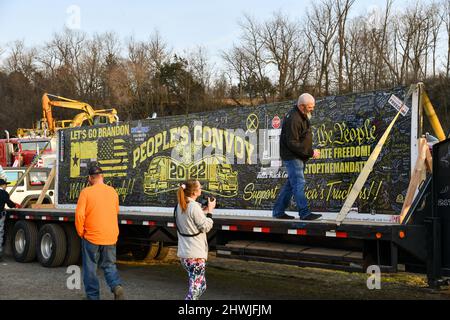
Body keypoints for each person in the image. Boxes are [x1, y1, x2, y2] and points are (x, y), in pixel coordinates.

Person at [75, 166, 125, 300]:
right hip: (110, 236)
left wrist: (81, 232)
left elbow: (79, 215)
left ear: (90, 178)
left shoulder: (86, 192)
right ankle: (116, 286)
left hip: (91, 237)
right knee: (109, 265)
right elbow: (116, 212)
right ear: (102, 177)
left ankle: (93, 297)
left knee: (90, 268)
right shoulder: (113, 192)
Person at [272, 93, 322, 220]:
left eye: (313, 106)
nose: (312, 109)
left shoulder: (301, 115)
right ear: (301, 106)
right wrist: (311, 152)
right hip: (293, 157)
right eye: (310, 107)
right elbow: (292, 143)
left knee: (291, 185)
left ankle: (278, 211)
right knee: (299, 183)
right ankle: (304, 213)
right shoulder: (294, 119)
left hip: (298, 156)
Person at [175, 179, 215, 300]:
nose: (201, 189)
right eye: (199, 187)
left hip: (185, 254)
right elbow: (206, 226)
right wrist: (210, 212)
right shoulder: (193, 207)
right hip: (195, 254)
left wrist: (205, 210)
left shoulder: (180, 205)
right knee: (196, 289)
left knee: (200, 286)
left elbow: (191, 217)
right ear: (194, 192)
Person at [0, 179, 21, 262]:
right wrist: (15, 205)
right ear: (2, 185)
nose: (6, 186)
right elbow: (9, 203)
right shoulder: (4, 193)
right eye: (5, 185)